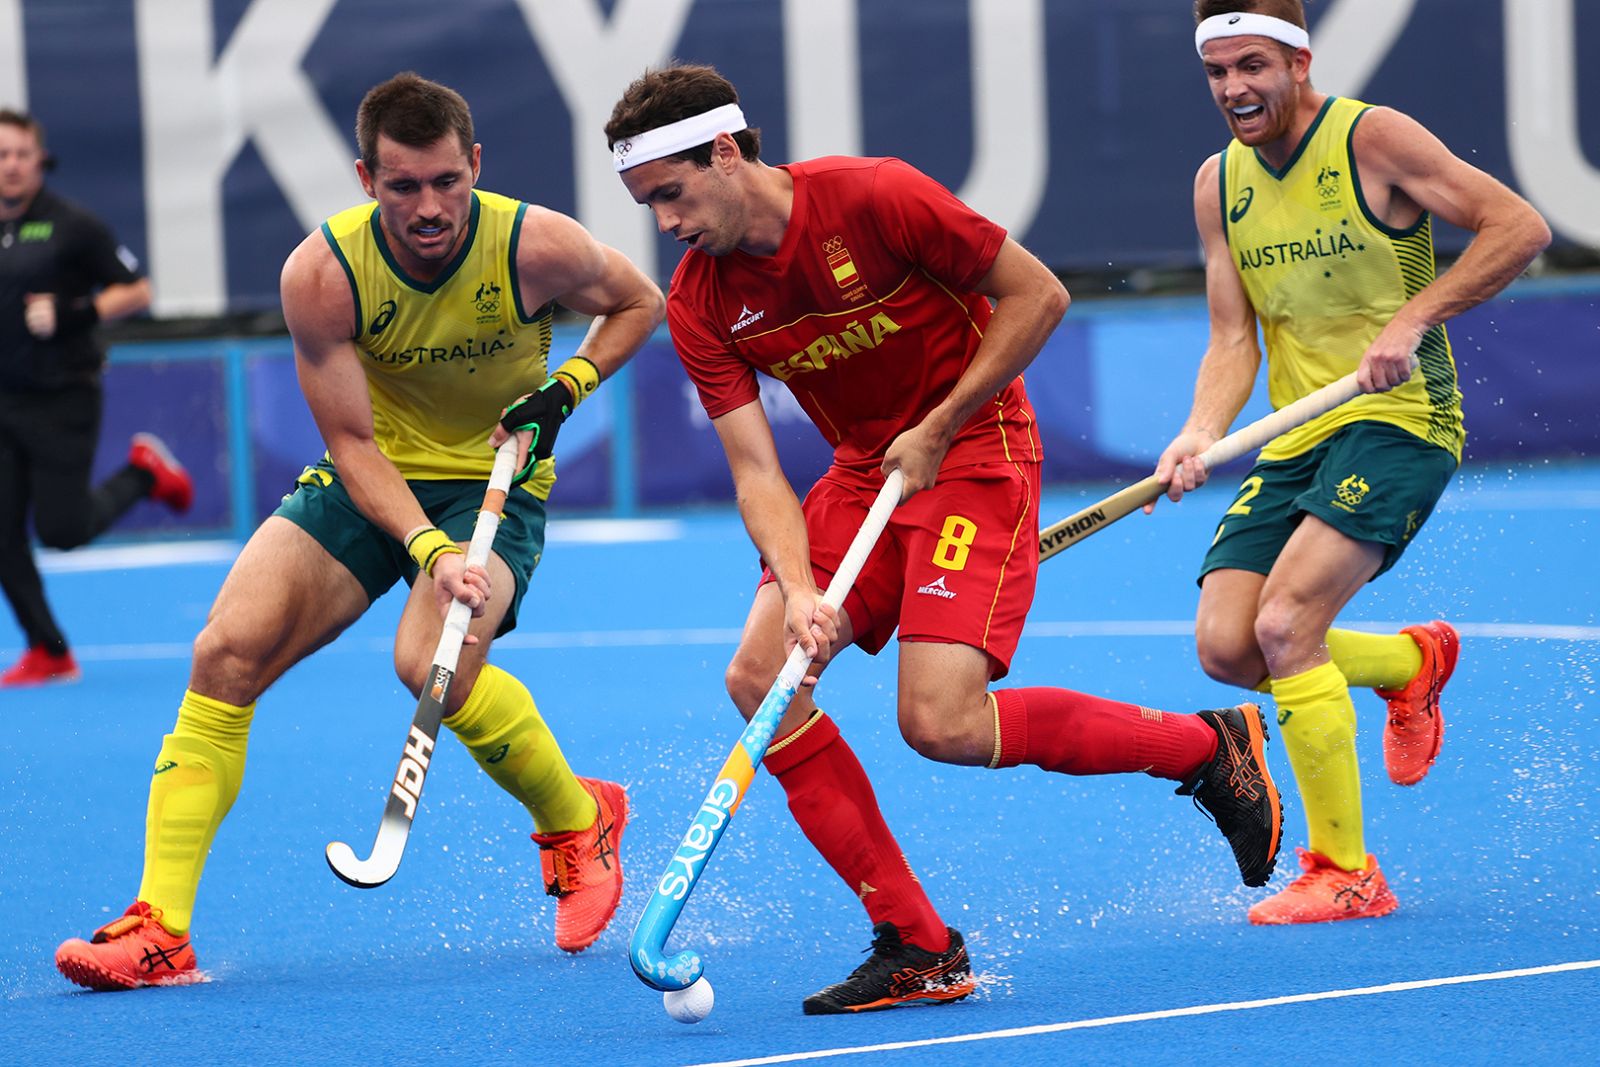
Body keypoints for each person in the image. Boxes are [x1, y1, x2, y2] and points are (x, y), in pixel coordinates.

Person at [607, 63, 1283, 1015]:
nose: (666, 223)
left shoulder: (873, 196)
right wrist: (800, 589)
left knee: (941, 723)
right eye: (648, 204)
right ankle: (919, 945)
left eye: (671, 194)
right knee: (760, 673)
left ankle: (1202, 748)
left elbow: (1038, 295)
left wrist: (941, 421)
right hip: (859, 473)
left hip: (977, 447)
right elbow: (757, 470)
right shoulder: (700, 301)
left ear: (726, 150)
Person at [53, 73, 665, 990]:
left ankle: (578, 818)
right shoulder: (322, 274)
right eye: (403, 186)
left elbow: (642, 301)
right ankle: (162, 929)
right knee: (226, 650)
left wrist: (564, 388)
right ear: (364, 178)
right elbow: (350, 441)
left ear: (477, 167)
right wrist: (425, 547)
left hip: (493, 488)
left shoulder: (534, 245)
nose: (429, 208)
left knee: (433, 664)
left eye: (447, 182)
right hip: (369, 479)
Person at [1149, 1, 1551, 925]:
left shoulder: (1371, 139)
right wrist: (1200, 429)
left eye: (1252, 66)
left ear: (1299, 61)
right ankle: (1410, 663)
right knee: (1228, 646)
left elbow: (1517, 226)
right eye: (1218, 73)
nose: (1235, 90)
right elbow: (1230, 335)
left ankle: (1347, 870)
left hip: (1401, 419)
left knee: (1288, 623)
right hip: (1298, 432)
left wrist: (1412, 319)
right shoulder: (1219, 183)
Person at [0, 107, 192, 687]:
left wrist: (73, 312)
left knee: (61, 531)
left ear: (41, 161)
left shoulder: (72, 225)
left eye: (20, 155)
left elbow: (137, 290)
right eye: (0, 155)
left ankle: (144, 473)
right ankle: (50, 651)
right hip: (1, 402)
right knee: (1, 533)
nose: (9, 166)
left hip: (63, 397)